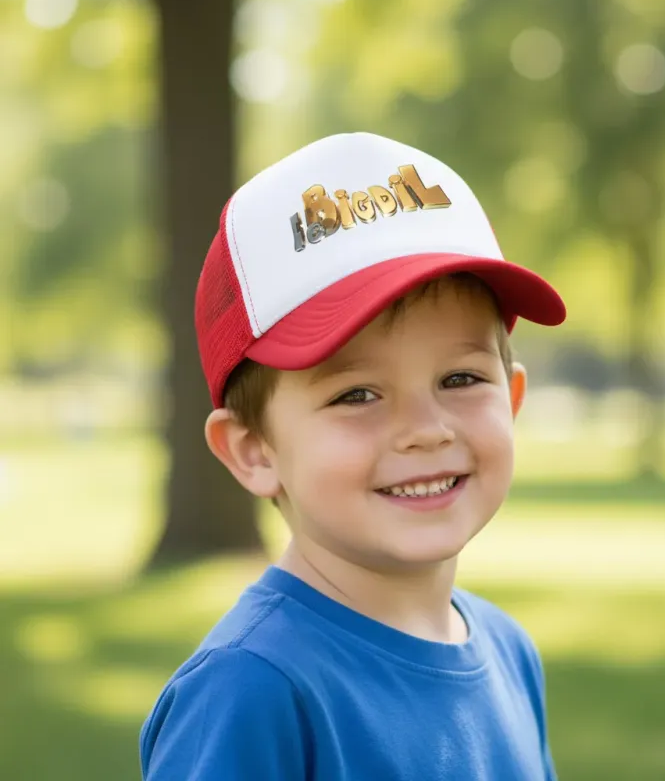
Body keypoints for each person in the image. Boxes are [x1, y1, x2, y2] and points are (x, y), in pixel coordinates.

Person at [139, 132, 566, 780]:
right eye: (358, 394)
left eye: (459, 379)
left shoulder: (510, 651)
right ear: (254, 451)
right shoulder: (251, 690)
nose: (424, 430)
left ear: (511, 398)